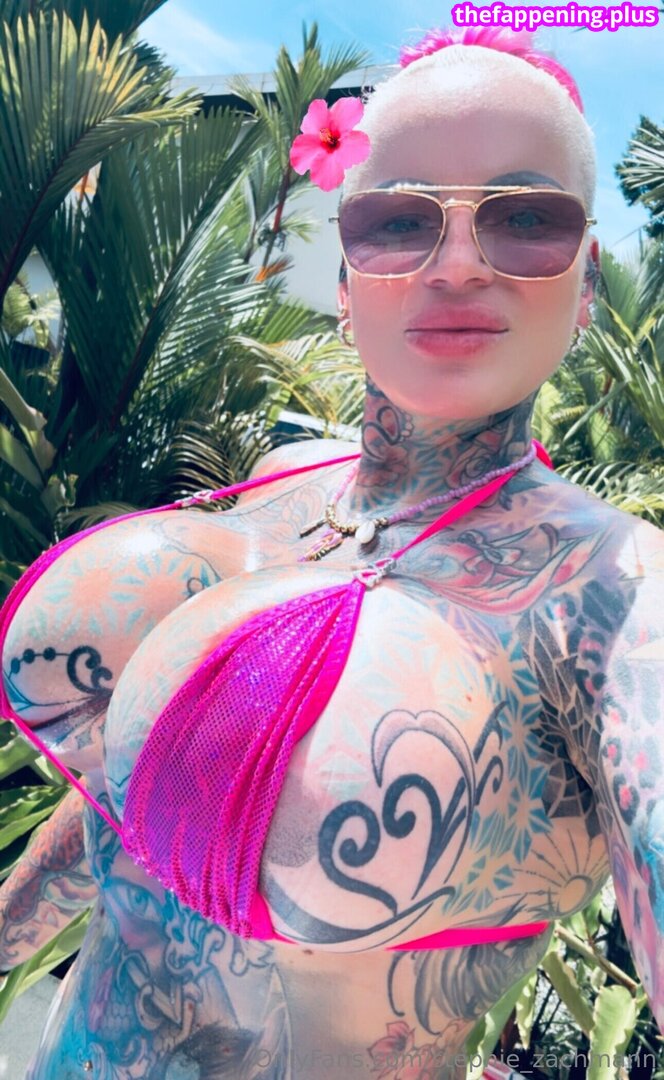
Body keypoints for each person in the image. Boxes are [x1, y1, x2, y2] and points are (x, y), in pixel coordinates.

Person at [1, 23, 663, 1080]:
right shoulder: (277, 484)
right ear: (347, 281)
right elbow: (119, 808)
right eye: (399, 221)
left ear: (587, 283)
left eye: (524, 220)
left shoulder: (618, 603)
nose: (457, 263)